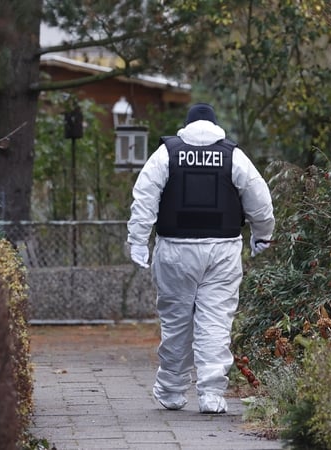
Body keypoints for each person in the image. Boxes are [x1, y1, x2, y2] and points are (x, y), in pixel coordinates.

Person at [126, 103, 275, 414]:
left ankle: (170, 391)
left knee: (176, 322)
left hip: (175, 250)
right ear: (216, 126)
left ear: (186, 125)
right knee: (216, 321)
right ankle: (211, 395)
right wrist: (262, 236)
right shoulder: (234, 156)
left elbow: (144, 197)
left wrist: (138, 241)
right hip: (222, 251)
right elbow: (259, 200)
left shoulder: (166, 154)